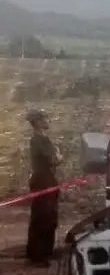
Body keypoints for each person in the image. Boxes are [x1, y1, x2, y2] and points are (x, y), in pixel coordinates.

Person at [25, 109, 62, 266]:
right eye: (44, 118)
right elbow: (53, 160)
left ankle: (44, 251)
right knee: (43, 217)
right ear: (38, 122)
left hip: (44, 180)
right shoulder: (40, 140)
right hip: (43, 181)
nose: (47, 121)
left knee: (46, 216)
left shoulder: (39, 139)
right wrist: (59, 157)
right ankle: (38, 255)